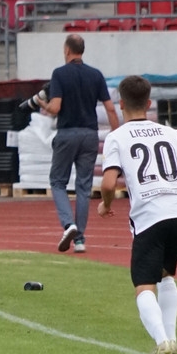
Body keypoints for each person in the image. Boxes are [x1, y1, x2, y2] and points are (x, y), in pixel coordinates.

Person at [98, 75, 177, 354]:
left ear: (121, 104)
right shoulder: (170, 133)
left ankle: (162, 342)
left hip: (150, 215)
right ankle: (171, 339)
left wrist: (105, 205)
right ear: (149, 104)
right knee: (166, 274)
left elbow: (108, 184)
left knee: (144, 284)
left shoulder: (116, 137)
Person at [32, 34, 119, 254]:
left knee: (58, 181)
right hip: (90, 134)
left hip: (67, 133)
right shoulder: (96, 74)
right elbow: (110, 108)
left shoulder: (59, 74)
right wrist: (118, 135)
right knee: (84, 187)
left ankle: (68, 224)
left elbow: (56, 108)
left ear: (67, 50)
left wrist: (42, 103)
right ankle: (80, 239)